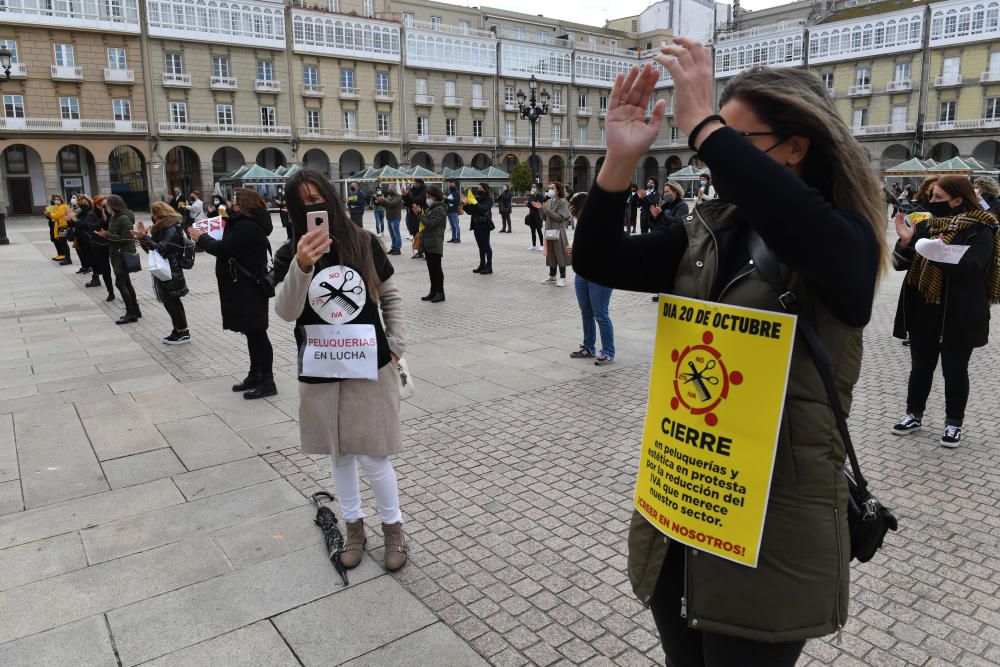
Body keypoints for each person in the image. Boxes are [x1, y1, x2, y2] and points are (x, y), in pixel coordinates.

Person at [572, 42, 886, 665]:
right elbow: (599, 260)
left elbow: (808, 229)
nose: (719, 159)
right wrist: (618, 162)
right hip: (687, 502)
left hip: (771, 532)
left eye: (738, 142)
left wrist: (705, 126)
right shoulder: (711, 230)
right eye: (716, 143)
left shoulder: (840, 244)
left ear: (798, 146)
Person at [275, 166, 409, 573]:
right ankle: (354, 527)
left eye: (317, 202)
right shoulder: (289, 253)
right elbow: (285, 312)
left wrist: (396, 345)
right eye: (302, 206)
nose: (311, 210)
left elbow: (390, 296)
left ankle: (393, 529)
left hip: (369, 359)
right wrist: (301, 266)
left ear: (331, 200)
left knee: (373, 454)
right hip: (320, 364)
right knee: (338, 454)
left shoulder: (364, 242)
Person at [891, 175, 999, 447]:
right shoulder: (926, 225)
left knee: (955, 371)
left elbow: (973, 268)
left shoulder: (981, 228)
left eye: (938, 197)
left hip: (959, 313)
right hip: (923, 310)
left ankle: (953, 424)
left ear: (958, 199)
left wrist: (940, 253)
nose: (931, 202)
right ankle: (913, 415)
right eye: (931, 196)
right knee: (920, 368)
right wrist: (905, 243)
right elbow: (900, 264)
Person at [189, 188, 277, 400]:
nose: (231, 203)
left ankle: (267, 381)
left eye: (235, 200)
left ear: (245, 204)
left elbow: (223, 248)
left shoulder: (247, 226)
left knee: (257, 333)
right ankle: (255, 374)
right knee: (251, 332)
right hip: (244, 286)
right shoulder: (244, 223)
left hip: (249, 287)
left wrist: (202, 238)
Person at [132, 202, 191, 344]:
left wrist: (145, 238)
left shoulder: (170, 229)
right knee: (170, 302)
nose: (152, 216)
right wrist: (143, 237)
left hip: (171, 272)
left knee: (173, 302)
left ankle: (183, 332)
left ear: (159, 214)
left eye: (153, 213)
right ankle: (178, 329)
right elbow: (152, 251)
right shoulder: (161, 229)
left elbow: (162, 250)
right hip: (164, 271)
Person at [569, 192, 615, 365]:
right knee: (586, 312)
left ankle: (608, 351)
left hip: (601, 274)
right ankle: (588, 346)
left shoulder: (604, 222)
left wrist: (580, 249)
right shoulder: (583, 222)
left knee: (601, 314)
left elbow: (609, 248)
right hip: (582, 273)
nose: (574, 214)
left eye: (574, 209)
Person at [95, 195, 142, 324]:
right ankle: (135, 311)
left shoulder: (124, 218)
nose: (107, 207)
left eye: (108, 205)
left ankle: (131, 312)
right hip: (117, 253)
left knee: (120, 283)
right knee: (126, 282)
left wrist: (107, 235)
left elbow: (126, 238)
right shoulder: (115, 217)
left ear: (113, 205)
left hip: (123, 254)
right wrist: (106, 234)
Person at [414, 185, 447, 302]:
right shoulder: (430, 208)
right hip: (428, 243)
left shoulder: (439, 209)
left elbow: (430, 224)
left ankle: (440, 292)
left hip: (435, 243)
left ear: (435, 196)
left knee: (437, 269)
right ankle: (433, 291)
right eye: (427, 196)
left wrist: (419, 214)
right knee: (431, 269)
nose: (427, 198)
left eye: (429, 196)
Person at [538, 181, 572, 286]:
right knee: (551, 254)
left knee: (560, 253)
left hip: (558, 231)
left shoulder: (562, 201)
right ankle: (552, 276)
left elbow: (561, 217)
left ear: (558, 190)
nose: (550, 190)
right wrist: (541, 209)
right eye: (549, 188)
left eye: (552, 188)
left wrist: (547, 210)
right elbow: (544, 218)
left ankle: (563, 278)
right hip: (549, 231)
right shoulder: (548, 202)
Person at [87, 195, 116, 302]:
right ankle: (110, 292)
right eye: (102, 203)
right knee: (105, 269)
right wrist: (102, 220)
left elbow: (112, 226)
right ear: (97, 204)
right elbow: (91, 228)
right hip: (98, 245)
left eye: (106, 203)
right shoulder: (91, 214)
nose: (105, 205)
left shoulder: (109, 212)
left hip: (110, 243)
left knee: (117, 267)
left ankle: (120, 287)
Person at [462, 182, 494, 275]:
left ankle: (489, 266)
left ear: (485, 189)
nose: (478, 190)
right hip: (476, 225)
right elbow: (471, 211)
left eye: (480, 188)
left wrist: (474, 202)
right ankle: (482, 265)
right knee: (480, 246)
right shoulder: (477, 199)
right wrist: (465, 205)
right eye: (477, 188)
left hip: (484, 225)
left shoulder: (489, 199)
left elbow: (483, 209)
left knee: (486, 245)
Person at [45, 194, 73, 265]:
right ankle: (67, 258)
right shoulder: (57, 207)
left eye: (58, 200)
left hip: (63, 227)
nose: (56, 201)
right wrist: (49, 213)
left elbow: (55, 216)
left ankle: (68, 259)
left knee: (63, 243)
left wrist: (49, 212)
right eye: (55, 200)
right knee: (62, 243)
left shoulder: (63, 207)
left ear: (61, 200)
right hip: (60, 227)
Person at [402, 179, 426, 256]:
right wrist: (405, 196)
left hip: (420, 214)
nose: (414, 184)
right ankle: (419, 251)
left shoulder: (424, 191)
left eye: (416, 183)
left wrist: (408, 195)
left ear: (420, 184)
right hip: (412, 214)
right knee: (415, 233)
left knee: (421, 233)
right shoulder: (414, 190)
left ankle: (423, 251)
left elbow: (418, 201)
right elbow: (410, 201)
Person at [379, 184, 403, 255]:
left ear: (395, 189)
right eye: (389, 188)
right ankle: (393, 247)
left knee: (396, 234)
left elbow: (392, 204)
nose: (390, 189)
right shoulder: (389, 196)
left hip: (395, 218)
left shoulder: (398, 197)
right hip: (389, 218)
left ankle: (398, 249)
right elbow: (386, 205)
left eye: (391, 188)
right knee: (392, 234)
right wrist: (381, 201)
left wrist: (384, 200)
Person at [525, 183, 546, 250]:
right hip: (532, 214)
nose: (532, 188)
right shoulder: (532, 195)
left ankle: (541, 245)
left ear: (537, 188)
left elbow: (537, 205)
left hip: (538, 215)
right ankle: (533, 245)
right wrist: (529, 203)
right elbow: (530, 204)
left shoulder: (540, 195)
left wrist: (530, 203)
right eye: (532, 187)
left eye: (534, 187)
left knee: (539, 230)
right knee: (532, 230)